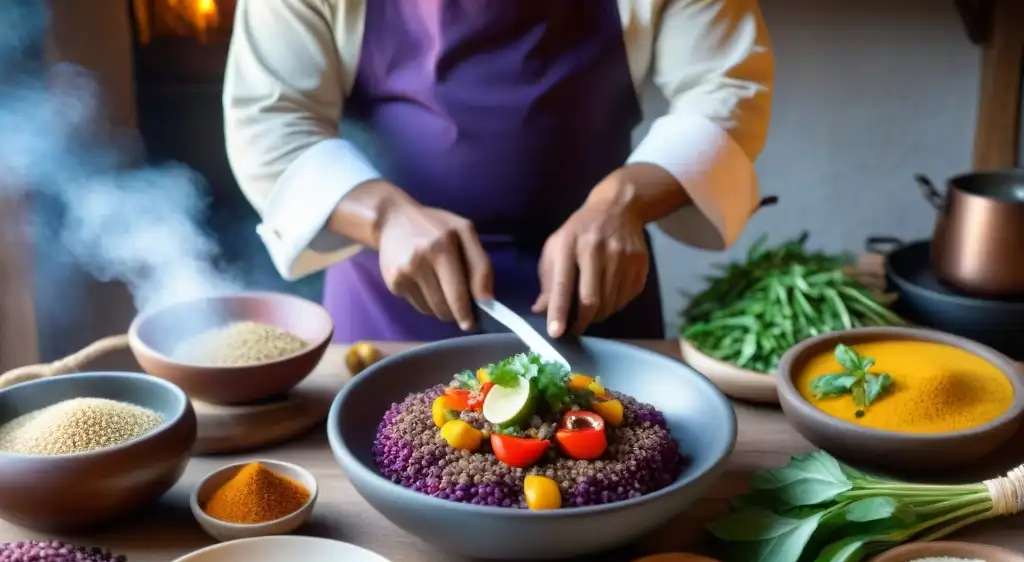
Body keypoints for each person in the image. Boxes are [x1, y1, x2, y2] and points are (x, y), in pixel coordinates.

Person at [223, 0, 773, 343]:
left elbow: (724, 91)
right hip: (393, 305)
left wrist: (622, 203)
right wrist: (385, 216)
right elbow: (272, 118)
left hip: (596, 289)